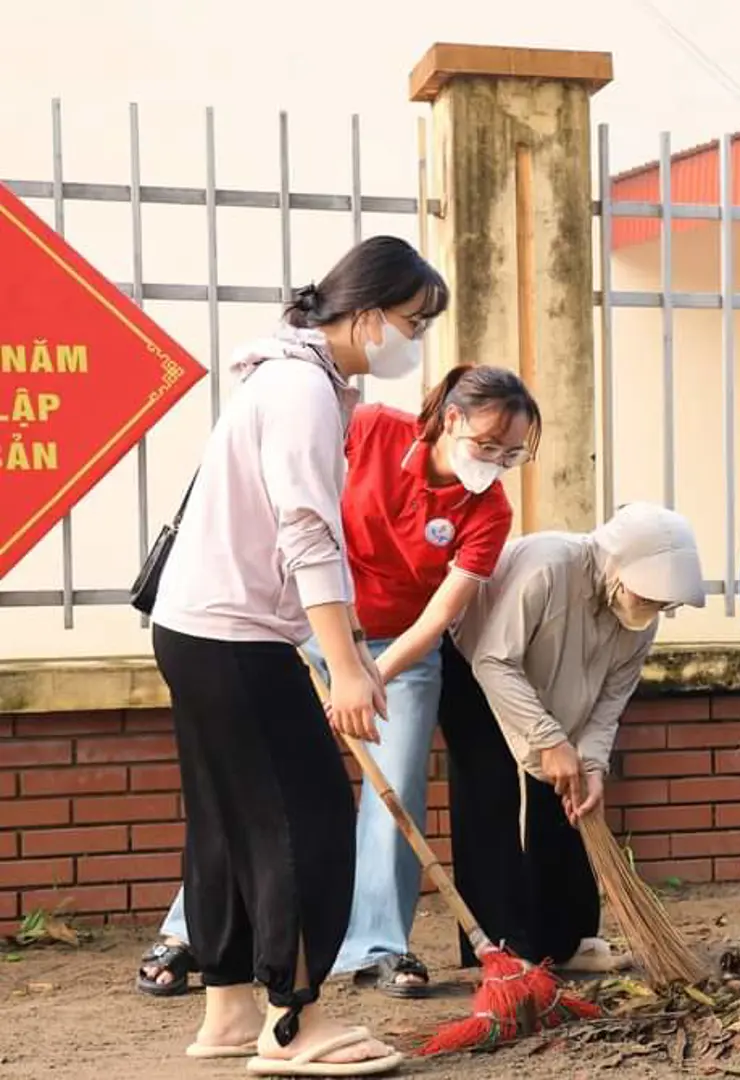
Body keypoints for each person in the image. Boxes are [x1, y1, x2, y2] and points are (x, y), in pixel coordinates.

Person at [142, 363, 540, 1001]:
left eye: (511, 453)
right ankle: (192, 931)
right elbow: (291, 491)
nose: (494, 461)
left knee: (397, 790)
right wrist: (335, 653)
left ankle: (377, 946)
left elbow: (442, 612)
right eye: (487, 444)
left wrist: (367, 676)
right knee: (255, 787)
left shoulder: (489, 508)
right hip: (301, 626)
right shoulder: (373, 428)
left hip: (395, 654)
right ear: (451, 419)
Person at [148, 235, 447, 1074]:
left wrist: (342, 637)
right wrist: (347, 667)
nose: (414, 340)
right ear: (363, 312)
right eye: (412, 321)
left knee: (228, 823)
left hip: (199, 627)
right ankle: (293, 1025)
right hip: (234, 634)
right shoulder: (301, 389)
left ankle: (231, 1010)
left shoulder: (288, 377)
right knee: (304, 820)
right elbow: (307, 529)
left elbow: (305, 540)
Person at [439, 504, 706, 970]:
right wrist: (548, 740)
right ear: (617, 567)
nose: (655, 609)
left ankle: (564, 940)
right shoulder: (550, 567)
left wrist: (593, 763)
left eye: (663, 603)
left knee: (569, 795)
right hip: (477, 666)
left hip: (549, 685)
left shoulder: (639, 616)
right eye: (650, 596)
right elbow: (493, 661)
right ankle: (502, 947)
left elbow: (610, 701)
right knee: (490, 794)